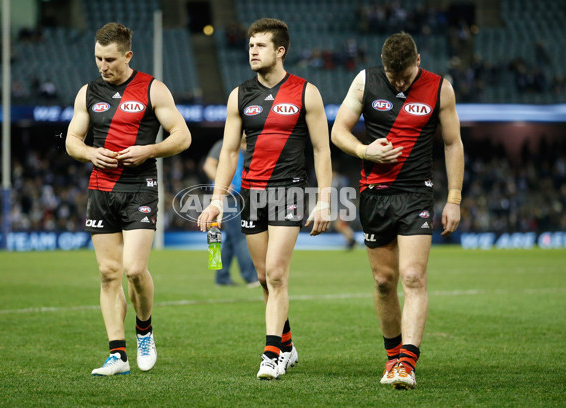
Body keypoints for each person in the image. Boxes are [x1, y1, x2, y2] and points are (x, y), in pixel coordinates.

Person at [197, 18, 332, 380]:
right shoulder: (239, 95)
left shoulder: (306, 92)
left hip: (289, 190)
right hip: (250, 195)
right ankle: (287, 345)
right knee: (261, 276)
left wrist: (323, 199)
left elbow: (321, 150)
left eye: (260, 45)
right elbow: (227, 153)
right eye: (250, 45)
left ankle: (271, 354)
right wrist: (216, 200)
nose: (252, 51)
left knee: (276, 273)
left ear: (280, 50)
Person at [331, 32, 464, 389]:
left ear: (418, 60)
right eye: (394, 78)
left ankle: (407, 363)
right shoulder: (365, 80)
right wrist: (364, 151)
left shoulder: (440, 88)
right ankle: (392, 358)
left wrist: (454, 198)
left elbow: (452, 143)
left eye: (405, 76)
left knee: (413, 277)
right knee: (383, 281)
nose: (400, 83)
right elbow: (338, 132)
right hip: (374, 194)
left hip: (416, 194)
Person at [65, 23, 191, 376]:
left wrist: (149, 149)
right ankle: (117, 355)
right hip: (101, 189)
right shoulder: (87, 92)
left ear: (128, 55)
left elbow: (182, 137)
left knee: (134, 270)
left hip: (140, 188)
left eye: (110, 59)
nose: (103, 66)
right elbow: (72, 140)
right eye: (98, 58)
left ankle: (145, 330)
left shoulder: (153, 89)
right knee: (108, 273)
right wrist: (91, 153)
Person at [203, 137, 259, 287]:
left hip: (242, 197)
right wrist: (224, 184)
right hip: (227, 198)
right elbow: (208, 166)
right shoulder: (223, 144)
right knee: (240, 236)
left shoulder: (246, 146)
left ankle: (221, 277)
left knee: (229, 239)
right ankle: (251, 277)